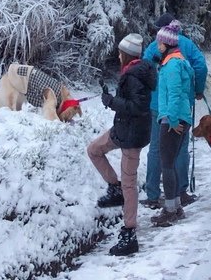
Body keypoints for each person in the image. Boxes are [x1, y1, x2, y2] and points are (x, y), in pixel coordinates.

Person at [87, 33, 156, 257]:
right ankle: (114, 187)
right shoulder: (132, 72)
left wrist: (112, 102)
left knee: (130, 183)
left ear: (126, 55)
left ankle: (129, 233)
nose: (118, 55)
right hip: (123, 130)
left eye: (120, 52)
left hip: (132, 136)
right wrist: (113, 101)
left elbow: (138, 107)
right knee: (94, 150)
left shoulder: (135, 75)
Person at [142, 11, 208, 209]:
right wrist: (197, 90)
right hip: (180, 107)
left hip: (159, 106)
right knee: (179, 150)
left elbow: (144, 69)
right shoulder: (185, 45)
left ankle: (153, 194)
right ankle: (180, 192)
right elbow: (201, 67)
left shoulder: (155, 46)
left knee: (156, 148)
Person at [150, 18, 196, 227]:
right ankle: (175, 204)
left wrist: (173, 120)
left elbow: (176, 93)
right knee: (171, 161)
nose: (157, 45)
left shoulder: (172, 65)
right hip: (175, 117)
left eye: (159, 42)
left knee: (167, 164)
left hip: (171, 118)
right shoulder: (178, 61)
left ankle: (169, 209)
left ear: (166, 44)